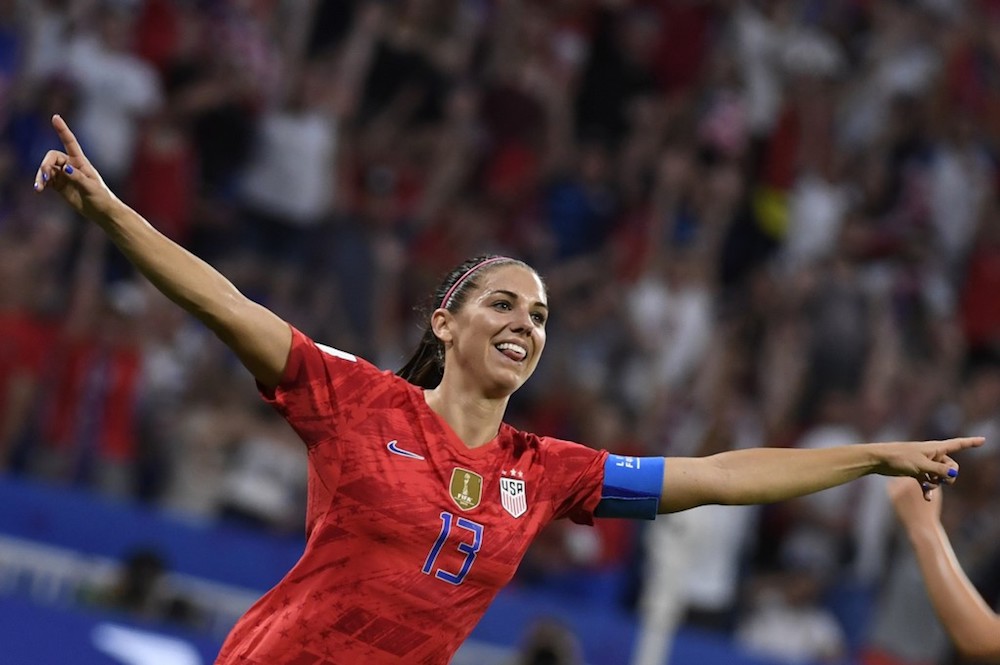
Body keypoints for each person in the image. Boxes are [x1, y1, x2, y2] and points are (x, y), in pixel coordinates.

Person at [31, 113, 984, 665]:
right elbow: (228, 305)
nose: (526, 323)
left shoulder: (550, 472)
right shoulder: (361, 401)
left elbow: (723, 473)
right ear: (445, 322)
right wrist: (112, 215)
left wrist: (871, 455)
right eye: (503, 302)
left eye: (539, 315)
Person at [887, 477, 1000, 662]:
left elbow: (983, 640)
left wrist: (924, 526)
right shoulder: (909, 557)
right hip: (888, 653)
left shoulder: (964, 560)